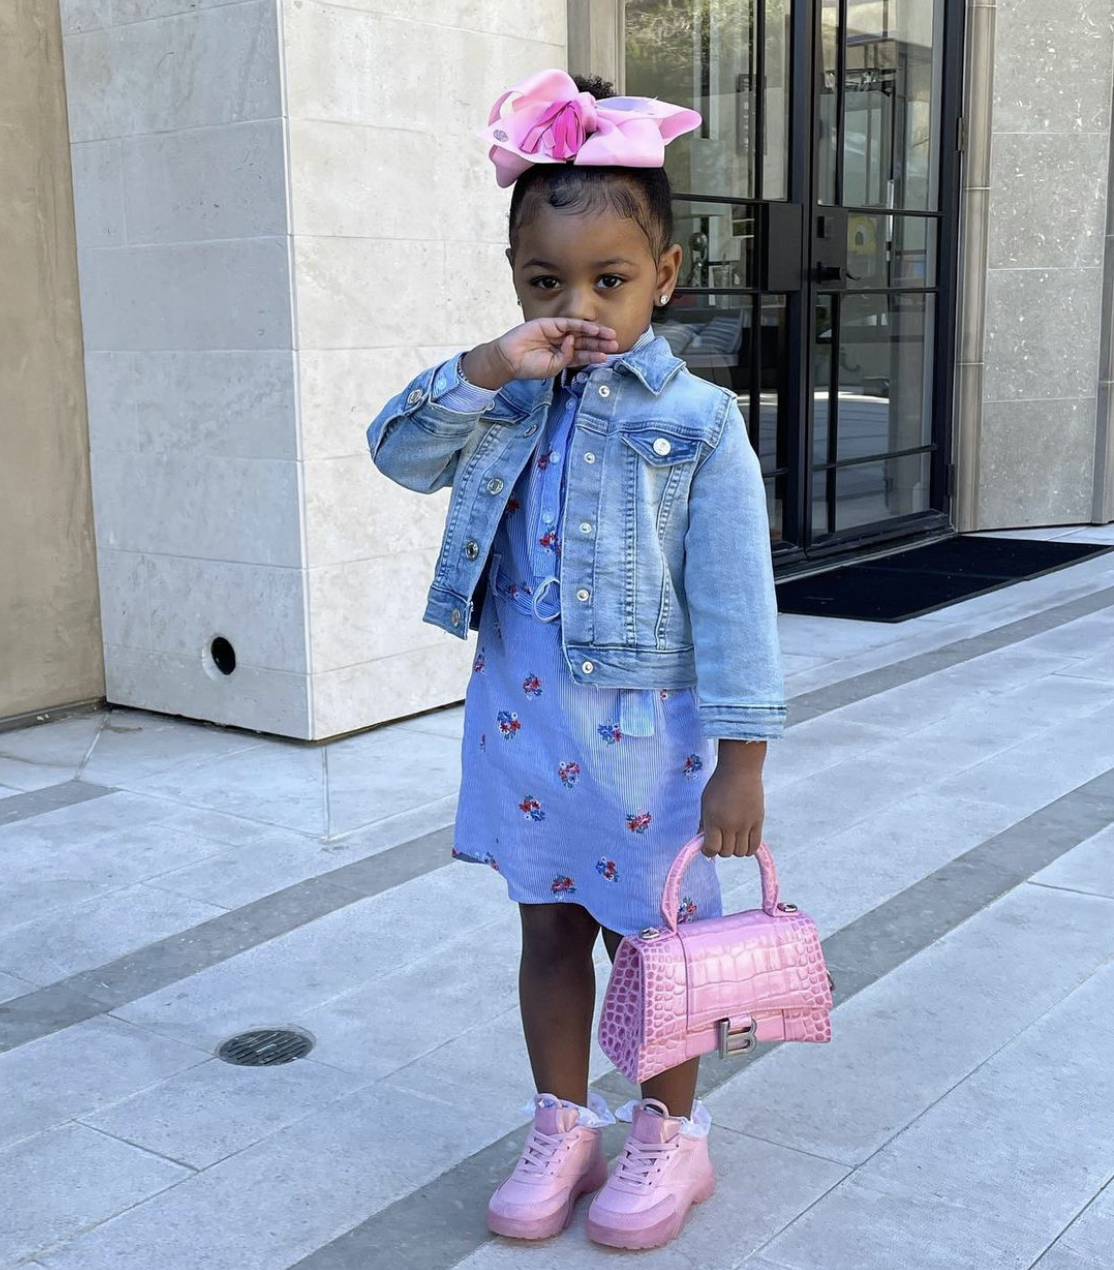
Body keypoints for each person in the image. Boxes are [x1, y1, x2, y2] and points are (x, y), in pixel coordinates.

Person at [366, 69, 786, 1251]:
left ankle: (670, 1135)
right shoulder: (506, 397)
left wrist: (743, 763)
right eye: (547, 282)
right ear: (516, 278)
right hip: (523, 725)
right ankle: (562, 1123)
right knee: (547, 930)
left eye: (610, 278)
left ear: (666, 273)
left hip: (650, 747)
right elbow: (396, 452)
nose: (579, 305)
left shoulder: (697, 424)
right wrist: (489, 364)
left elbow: (738, 605)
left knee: (656, 948)